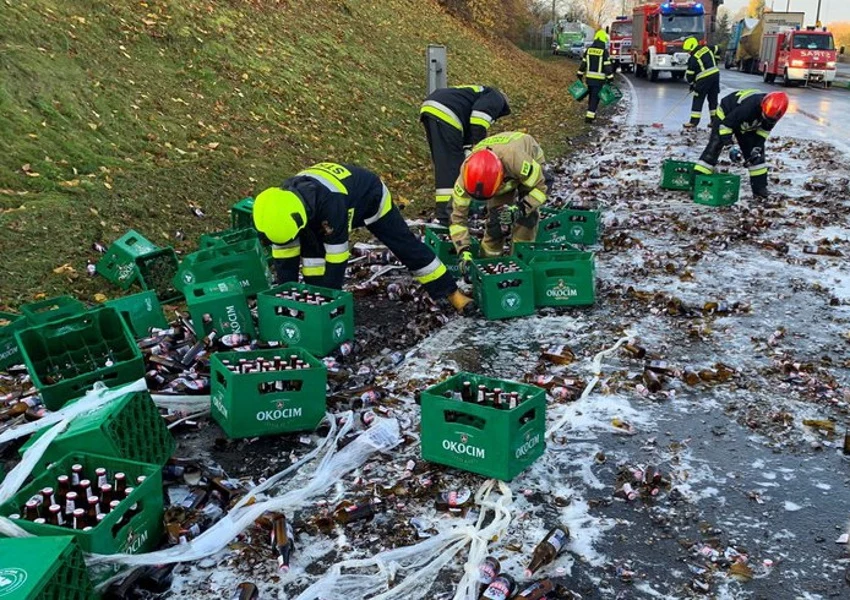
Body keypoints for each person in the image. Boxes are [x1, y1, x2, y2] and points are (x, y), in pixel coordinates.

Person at [252, 162, 472, 311]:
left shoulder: (332, 204)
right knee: (313, 263)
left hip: (369, 197)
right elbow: (285, 258)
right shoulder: (279, 207)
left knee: (405, 245)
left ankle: (453, 294)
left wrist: (329, 303)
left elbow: (337, 260)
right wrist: (288, 300)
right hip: (317, 210)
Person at [448, 132, 549, 273]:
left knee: (526, 220)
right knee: (496, 223)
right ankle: (487, 265)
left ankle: (520, 263)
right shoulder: (465, 177)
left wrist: (520, 209)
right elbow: (457, 220)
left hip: (528, 160)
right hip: (501, 175)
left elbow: (543, 187)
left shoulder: (516, 160)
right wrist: (463, 250)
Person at [420, 86, 512, 226]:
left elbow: (470, 127)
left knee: (445, 165)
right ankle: (449, 215)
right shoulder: (496, 97)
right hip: (447, 112)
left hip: (433, 109)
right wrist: (480, 147)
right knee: (452, 167)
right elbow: (479, 119)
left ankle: (447, 212)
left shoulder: (476, 94)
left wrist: (470, 149)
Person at [694, 90, 789, 199]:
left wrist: (756, 148)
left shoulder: (774, 113)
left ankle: (760, 189)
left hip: (748, 125)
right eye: (765, 116)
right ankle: (696, 184)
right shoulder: (749, 107)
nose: (766, 120)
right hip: (727, 115)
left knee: (757, 158)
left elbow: (763, 131)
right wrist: (730, 147)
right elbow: (726, 126)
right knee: (713, 148)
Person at [577, 30, 614, 124]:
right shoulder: (604, 52)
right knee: (595, 98)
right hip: (599, 80)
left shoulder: (588, 50)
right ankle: (589, 118)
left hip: (589, 79)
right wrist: (610, 78)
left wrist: (580, 74)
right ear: (603, 40)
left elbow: (583, 64)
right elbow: (607, 67)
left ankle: (591, 115)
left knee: (591, 97)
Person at [683, 37, 720, 128]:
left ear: (692, 48)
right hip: (715, 75)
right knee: (713, 99)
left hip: (704, 79)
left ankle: (693, 122)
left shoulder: (693, 58)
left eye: (688, 50)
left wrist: (692, 84)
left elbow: (689, 75)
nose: (688, 52)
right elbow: (718, 49)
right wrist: (716, 59)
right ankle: (714, 121)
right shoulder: (707, 48)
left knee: (698, 98)